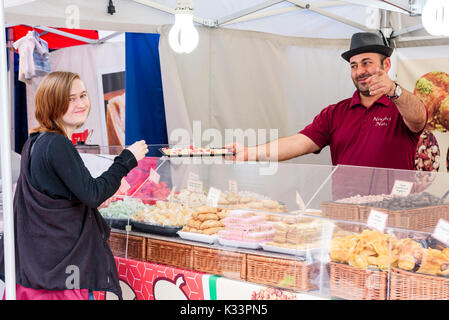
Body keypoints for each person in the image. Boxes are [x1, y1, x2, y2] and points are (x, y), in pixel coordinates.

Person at [0, 71, 148, 300]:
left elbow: (60, 196)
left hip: (38, 270)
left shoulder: (34, 141)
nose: (81, 103)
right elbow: (93, 194)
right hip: (60, 276)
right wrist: (127, 159)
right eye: (70, 99)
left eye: (83, 95)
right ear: (52, 102)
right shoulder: (57, 143)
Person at [232, 32, 427, 171]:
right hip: (345, 215)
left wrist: (394, 91)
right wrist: (248, 152)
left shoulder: (399, 106)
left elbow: (418, 117)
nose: (359, 71)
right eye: (354, 65)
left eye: (367, 62)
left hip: (392, 218)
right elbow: (298, 143)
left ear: (386, 64)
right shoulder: (335, 113)